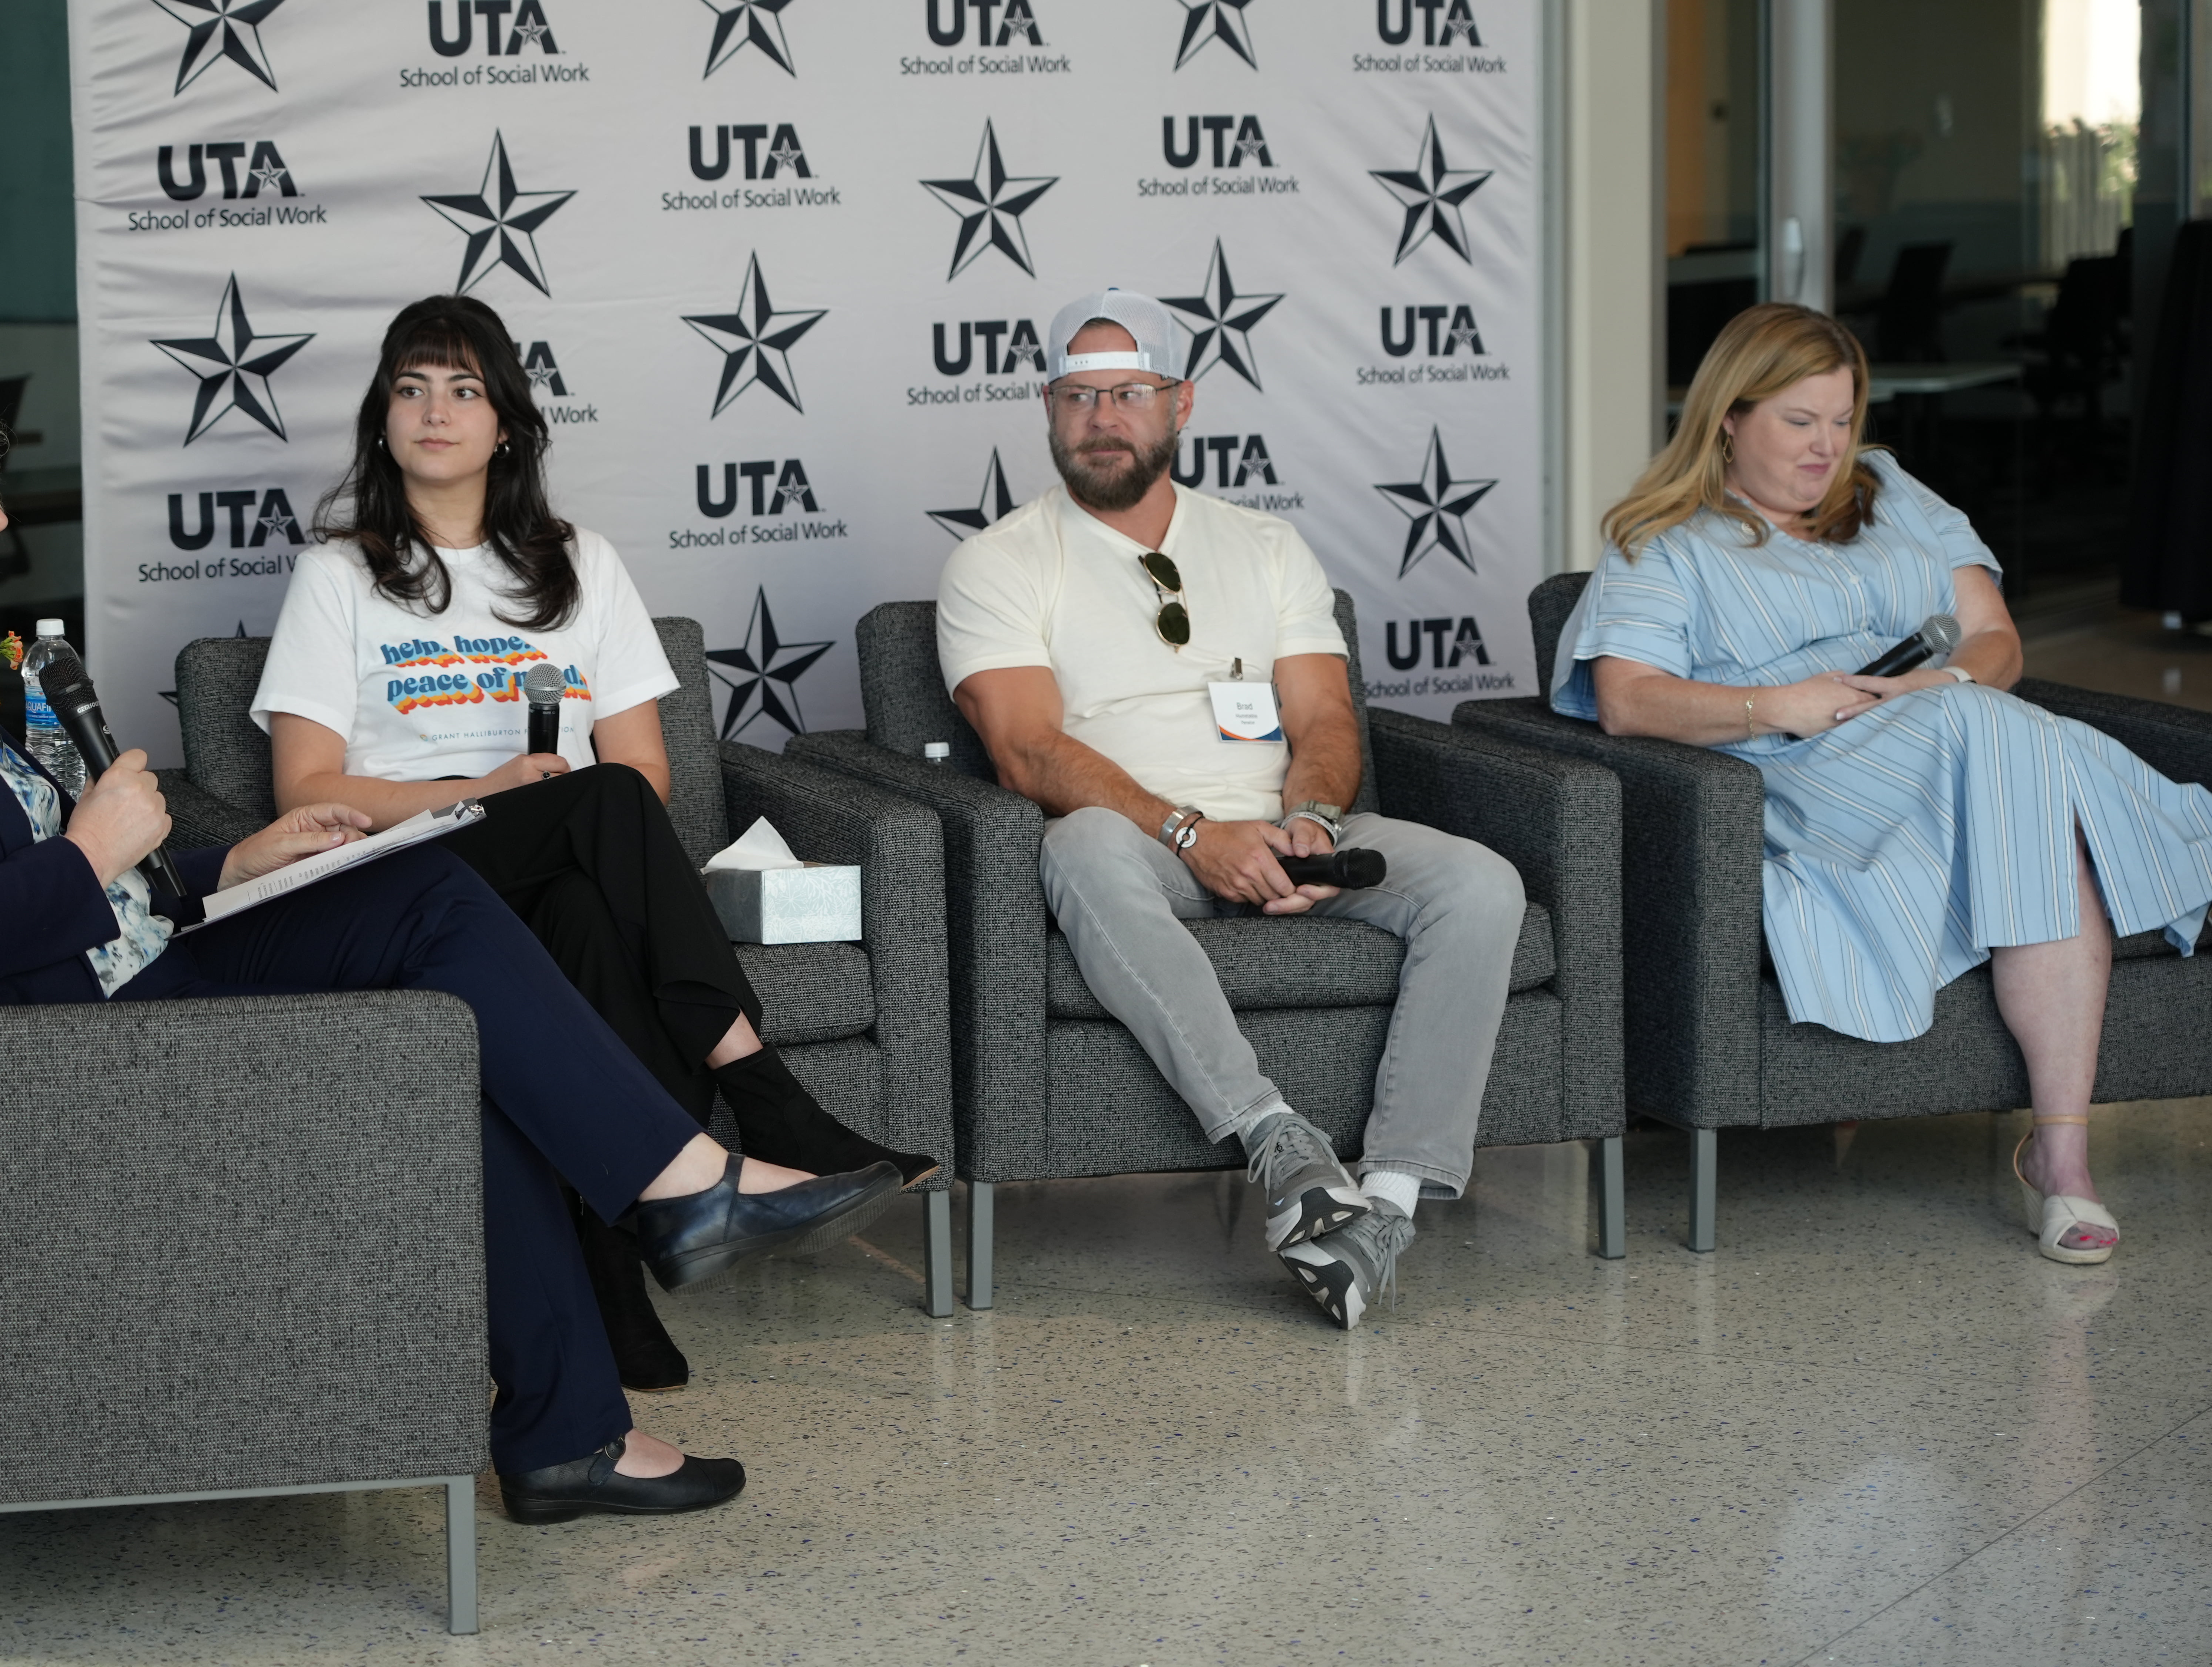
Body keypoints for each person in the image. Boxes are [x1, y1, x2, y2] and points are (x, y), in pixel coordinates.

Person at [0, 365, 900, 1521]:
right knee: (440, 925)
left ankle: (575, 1427)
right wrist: (88, 851)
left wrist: (229, 863)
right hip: (58, 1053)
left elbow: (57, 888)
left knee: (446, 982)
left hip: (128, 969)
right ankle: (676, 1203)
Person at [252, 294, 935, 1392]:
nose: (436, 412)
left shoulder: (580, 564)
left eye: (465, 390)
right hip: (418, 870)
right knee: (603, 803)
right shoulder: (342, 574)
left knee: (588, 904)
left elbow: (652, 771)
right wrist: (488, 789)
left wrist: (554, 803)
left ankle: (614, 1273)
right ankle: (767, 1098)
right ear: (381, 417)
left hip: (559, 865)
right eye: (412, 389)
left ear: (507, 424)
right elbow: (306, 788)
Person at [1553, 301, 2212, 1264]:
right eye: (1798, 422)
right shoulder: (1667, 540)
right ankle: (2173, 838)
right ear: (1728, 418)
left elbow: (1995, 641)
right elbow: (1629, 700)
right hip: (1805, 769)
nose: (1828, 448)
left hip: (1955, 738)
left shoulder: (1891, 491)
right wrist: (1781, 703)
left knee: (2007, 763)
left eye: (1842, 420)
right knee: (2021, 762)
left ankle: (2064, 1162)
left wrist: (1933, 686)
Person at [935, 287, 1528, 1330]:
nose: (1102, 416)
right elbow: (1026, 750)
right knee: (1077, 844)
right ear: (1047, 408)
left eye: (1129, 393)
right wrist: (1192, 835)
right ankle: (1279, 1142)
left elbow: (1327, 718)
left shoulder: (1264, 548)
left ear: (1183, 404)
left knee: (1481, 884)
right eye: (1078, 396)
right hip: (1147, 847)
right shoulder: (1001, 560)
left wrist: (1314, 823)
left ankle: (1378, 1210)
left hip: (1287, 831)